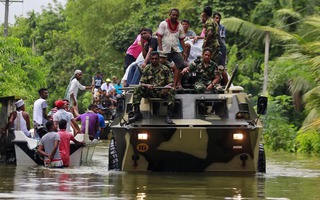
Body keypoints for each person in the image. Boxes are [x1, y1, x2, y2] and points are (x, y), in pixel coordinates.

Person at [128, 51, 175, 124]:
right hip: (150, 91)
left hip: (161, 91)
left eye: (156, 58)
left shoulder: (165, 69)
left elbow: (171, 82)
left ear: (159, 58)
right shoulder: (147, 68)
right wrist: (147, 85)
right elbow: (142, 82)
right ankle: (137, 113)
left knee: (172, 91)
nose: (154, 60)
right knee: (137, 89)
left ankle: (168, 116)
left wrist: (166, 87)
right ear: (150, 59)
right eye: (152, 59)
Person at [156, 8, 187, 89]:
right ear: (169, 14)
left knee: (181, 64)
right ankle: (162, 83)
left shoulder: (179, 25)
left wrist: (184, 51)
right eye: (173, 15)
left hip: (175, 49)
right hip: (165, 49)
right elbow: (159, 37)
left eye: (176, 15)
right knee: (162, 66)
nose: (175, 16)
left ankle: (177, 84)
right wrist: (160, 48)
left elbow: (181, 39)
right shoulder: (163, 24)